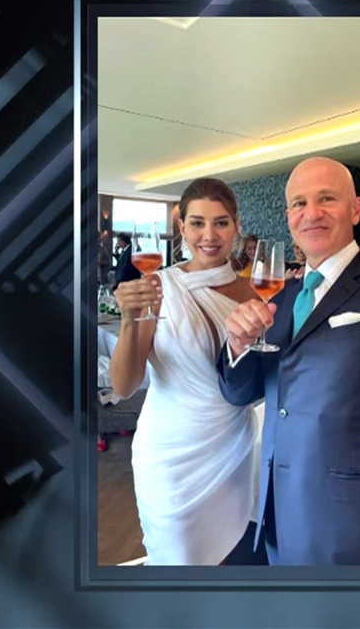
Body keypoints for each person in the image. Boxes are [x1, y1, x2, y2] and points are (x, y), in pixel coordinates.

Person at [216, 156, 360, 566]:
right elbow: (240, 393)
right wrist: (237, 345)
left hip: (356, 529)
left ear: (356, 209)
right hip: (278, 518)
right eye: (299, 203)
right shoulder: (283, 298)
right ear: (288, 217)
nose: (311, 213)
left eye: (327, 198)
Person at [110, 178, 262, 565]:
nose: (209, 235)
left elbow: (256, 377)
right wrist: (129, 319)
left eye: (221, 222)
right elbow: (124, 387)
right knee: (176, 560)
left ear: (236, 226)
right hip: (170, 459)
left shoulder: (255, 293)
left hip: (231, 449)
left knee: (225, 554)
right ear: (182, 228)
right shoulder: (158, 287)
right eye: (197, 223)